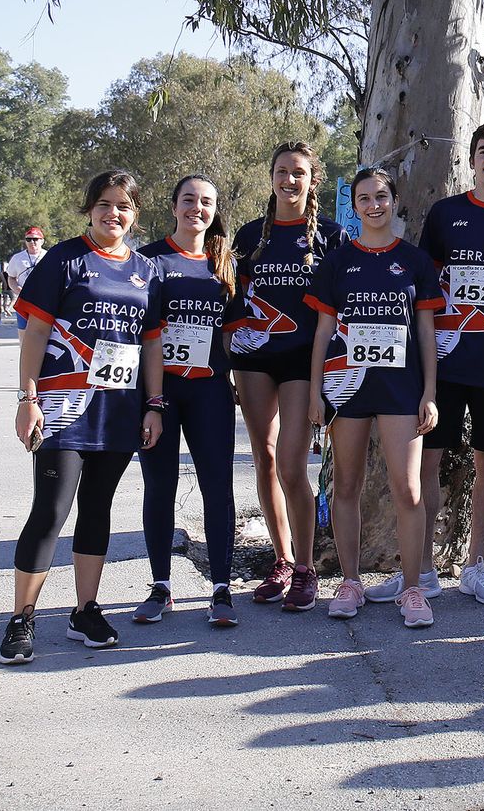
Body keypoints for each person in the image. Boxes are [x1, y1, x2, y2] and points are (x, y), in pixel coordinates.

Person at [364, 120, 484, 610]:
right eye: (483, 151)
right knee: (427, 462)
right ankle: (421, 571)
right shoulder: (446, 215)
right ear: (471, 159)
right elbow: (423, 291)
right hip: (442, 365)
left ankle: (475, 567)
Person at [0, 170, 164, 665]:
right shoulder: (63, 260)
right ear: (90, 208)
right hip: (64, 407)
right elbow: (34, 333)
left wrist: (154, 405)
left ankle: (85, 610)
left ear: (135, 214)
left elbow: (151, 342)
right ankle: (22, 616)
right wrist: (27, 398)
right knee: (50, 510)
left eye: (124, 207)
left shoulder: (146, 270)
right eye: (105, 204)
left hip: (118, 410)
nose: (115, 214)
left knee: (97, 509)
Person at [306, 167, 443, 626]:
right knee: (346, 485)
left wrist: (429, 393)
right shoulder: (338, 261)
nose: (374, 205)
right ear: (355, 205)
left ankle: (412, 590)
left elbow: (426, 333)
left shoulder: (415, 261)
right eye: (364, 198)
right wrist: (314, 393)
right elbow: (324, 331)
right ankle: (349, 582)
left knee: (408, 488)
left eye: (381, 196)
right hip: (346, 390)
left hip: (401, 390)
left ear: (394, 200)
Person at [224, 141, 347, 612]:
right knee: (265, 459)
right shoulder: (250, 235)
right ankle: (281, 559)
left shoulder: (330, 238)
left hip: (303, 363)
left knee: (294, 465)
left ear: (312, 180)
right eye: (281, 171)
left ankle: (306, 568)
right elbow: (233, 299)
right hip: (255, 359)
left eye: (298, 172)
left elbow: (340, 307)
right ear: (271, 176)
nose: (289, 180)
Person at [132, 176, 241, 628]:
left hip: (210, 392)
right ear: (174, 206)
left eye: (206, 202)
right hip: (159, 394)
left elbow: (235, 334)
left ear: (215, 210)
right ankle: (161, 586)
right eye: (189, 200)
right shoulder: (149, 260)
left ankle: (221, 589)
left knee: (218, 486)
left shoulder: (225, 264)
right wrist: (148, 400)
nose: (197, 208)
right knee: (160, 486)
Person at [6, 227, 48, 334]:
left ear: (42, 241)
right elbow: (11, 277)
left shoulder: (50, 256)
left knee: (44, 333)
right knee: (24, 333)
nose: (32, 242)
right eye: (28, 239)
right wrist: (16, 289)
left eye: (35, 239)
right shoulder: (17, 258)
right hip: (24, 301)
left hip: (44, 301)